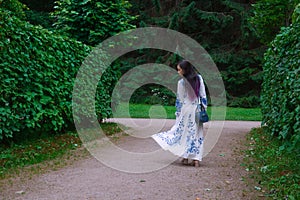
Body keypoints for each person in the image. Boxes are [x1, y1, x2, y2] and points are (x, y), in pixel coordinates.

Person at [151, 60, 207, 167]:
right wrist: (204, 109)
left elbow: (180, 100)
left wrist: (178, 113)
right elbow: (203, 96)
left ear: (185, 70)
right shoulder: (199, 79)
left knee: (184, 132)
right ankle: (196, 159)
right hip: (196, 110)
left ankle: (185, 157)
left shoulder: (181, 83)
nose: (178, 72)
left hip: (186, 110)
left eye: (179, 69)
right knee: (197, 133)